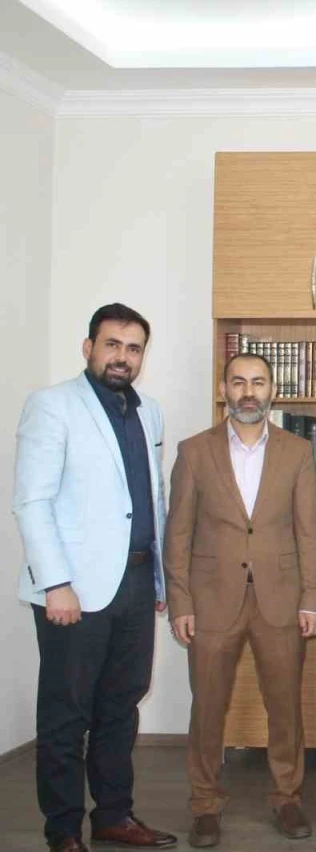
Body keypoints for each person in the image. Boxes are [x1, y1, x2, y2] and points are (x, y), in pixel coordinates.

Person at [15, 303, 177, 852]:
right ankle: (63, 830)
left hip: (135, 583)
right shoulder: (52, 405)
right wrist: (55, 583)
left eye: (133, 348)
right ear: (89, 348)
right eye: (112, 345)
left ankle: (113, 815)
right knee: (67, 715)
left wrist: (158, 580)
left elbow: (151, 497)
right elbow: (32, 501)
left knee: (120, 708)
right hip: (73, 590)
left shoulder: (149, 412)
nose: (122, 357)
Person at [164, 352, 316, 848]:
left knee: (285, 707)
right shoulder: (195, 451)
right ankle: (205, 804)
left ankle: (287, 797)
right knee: (207, 708)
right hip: (211, 600)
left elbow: (308, 531)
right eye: (238, 382)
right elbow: (178, 533)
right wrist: (180, 602)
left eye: (258, 382)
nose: (248, 392)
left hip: (282, 598)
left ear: (273, 390)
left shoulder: (297, 451)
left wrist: (313, 598)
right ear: (224, 389)